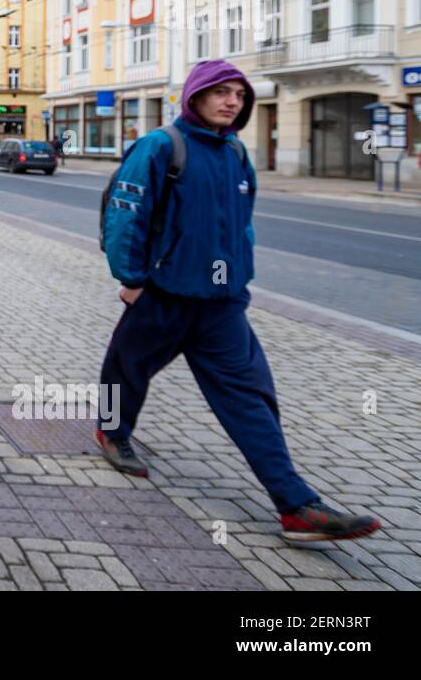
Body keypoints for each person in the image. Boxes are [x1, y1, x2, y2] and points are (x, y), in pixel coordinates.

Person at [96, 59, 382, 542]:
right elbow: (125, 213)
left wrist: (239, 278)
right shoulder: (163, 146)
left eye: (240, 94)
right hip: (164, 294)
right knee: (126, 369)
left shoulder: (236, 153)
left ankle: (297, 507)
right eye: (220, 91)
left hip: (222, 306)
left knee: (252, 399)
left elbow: (241, 224)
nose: (232, 101)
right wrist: (132, 278)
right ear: (195, 96)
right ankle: (112, 433)